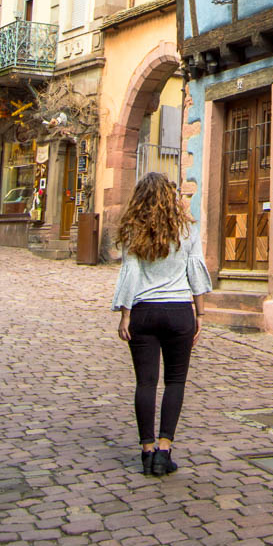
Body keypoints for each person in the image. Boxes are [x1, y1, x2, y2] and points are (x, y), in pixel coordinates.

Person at [112, 172, 212, 476]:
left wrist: (124, 314)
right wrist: (201, 314)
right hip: (179, 310)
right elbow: (195, 270)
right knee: (175, 381)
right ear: (171, 198)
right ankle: (164, 450)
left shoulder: (133, 229)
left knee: (145, 382)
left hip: (143, 311)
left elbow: (130, 273)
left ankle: (146, 450)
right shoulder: (186, 229)